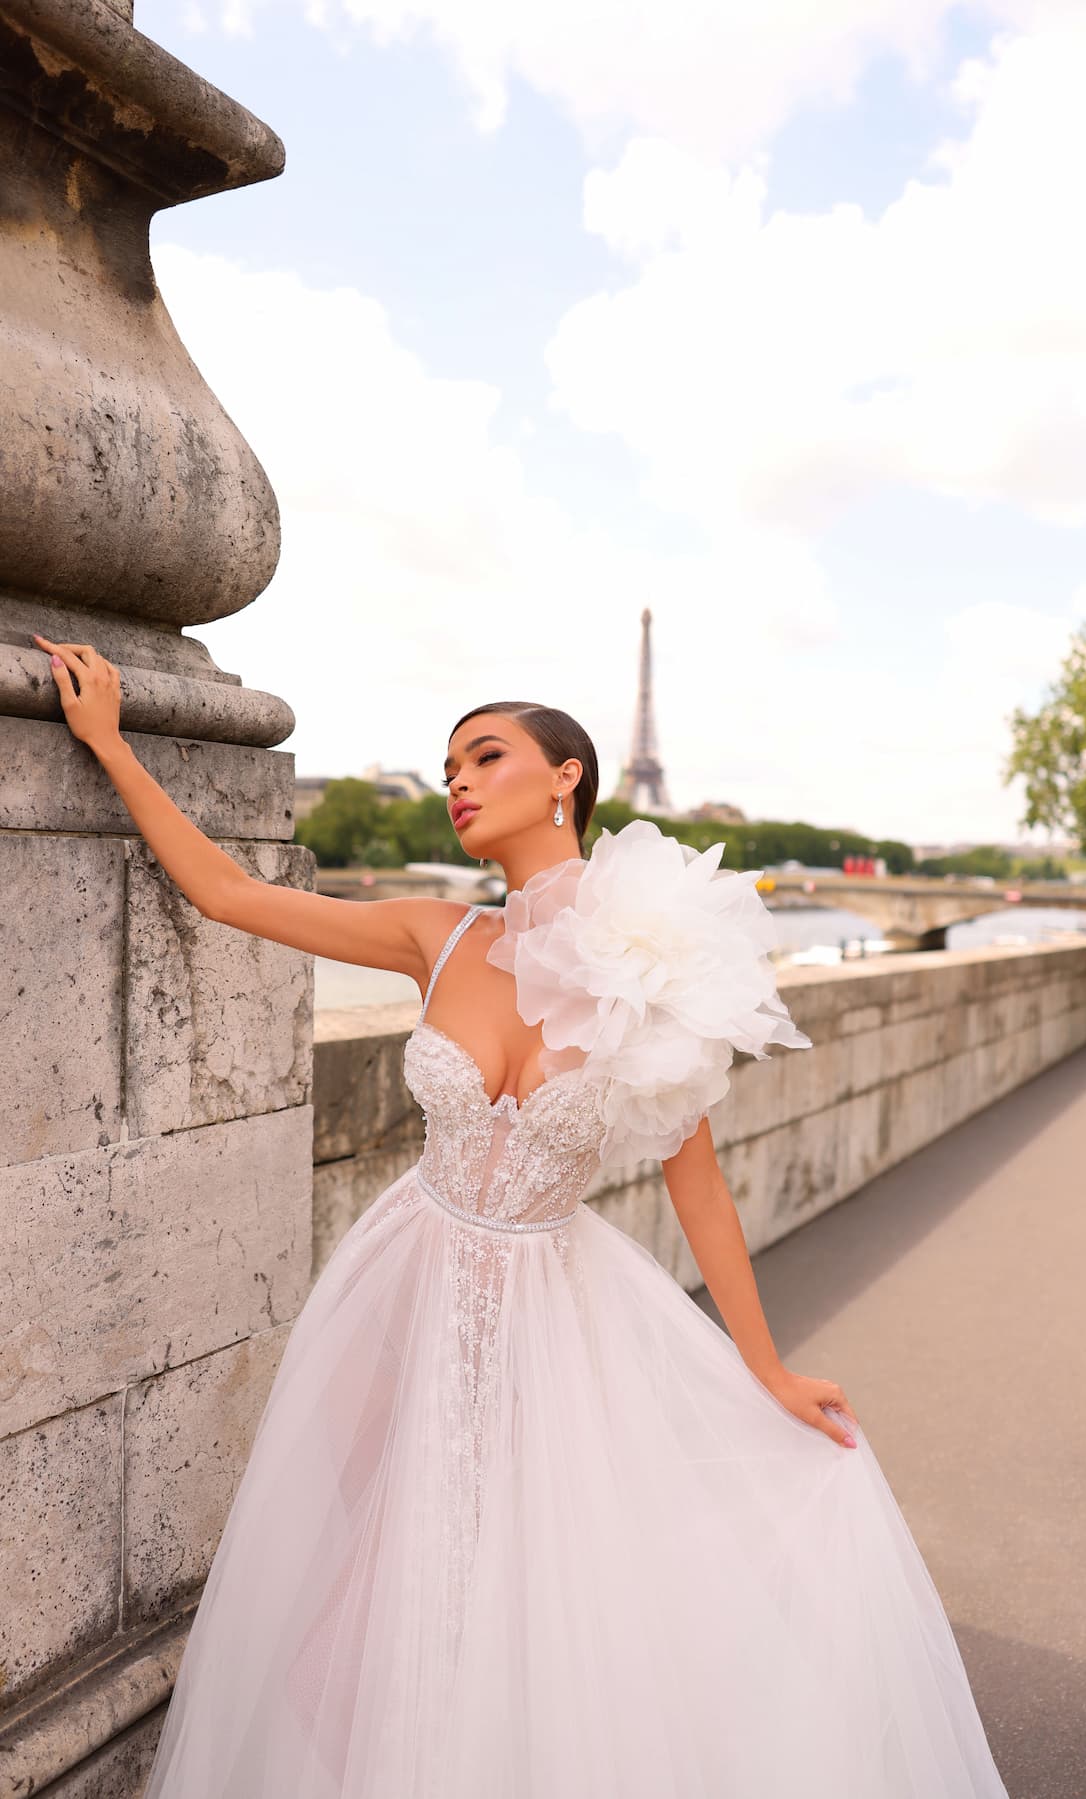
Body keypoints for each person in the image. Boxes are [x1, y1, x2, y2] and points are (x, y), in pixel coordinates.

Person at [35, 632, 1010, 1797]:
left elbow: (694, 1182)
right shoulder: (431, 934)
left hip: (551, 1320)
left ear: (567, 777)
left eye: (483, 755)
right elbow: (229, 891)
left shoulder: (652, 967)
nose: (456, 780)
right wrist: (108, 741)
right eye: (446, 764)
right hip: (402, 1286)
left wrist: (767, 1370)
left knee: (520, 1612)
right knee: (350, 1594)